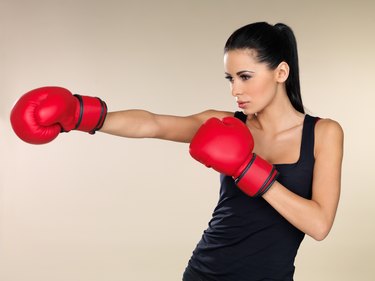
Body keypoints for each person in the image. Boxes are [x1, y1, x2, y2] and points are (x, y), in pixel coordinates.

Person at [10, 22, 344, 280]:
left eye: (245, 76)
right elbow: (154, 124)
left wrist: (248, 169)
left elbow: (318, 225)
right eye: (229, 78)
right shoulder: (227, 124)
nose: (235, 90)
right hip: (205, 271)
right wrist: (80, 115)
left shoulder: (324, 133)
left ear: (280, 72)